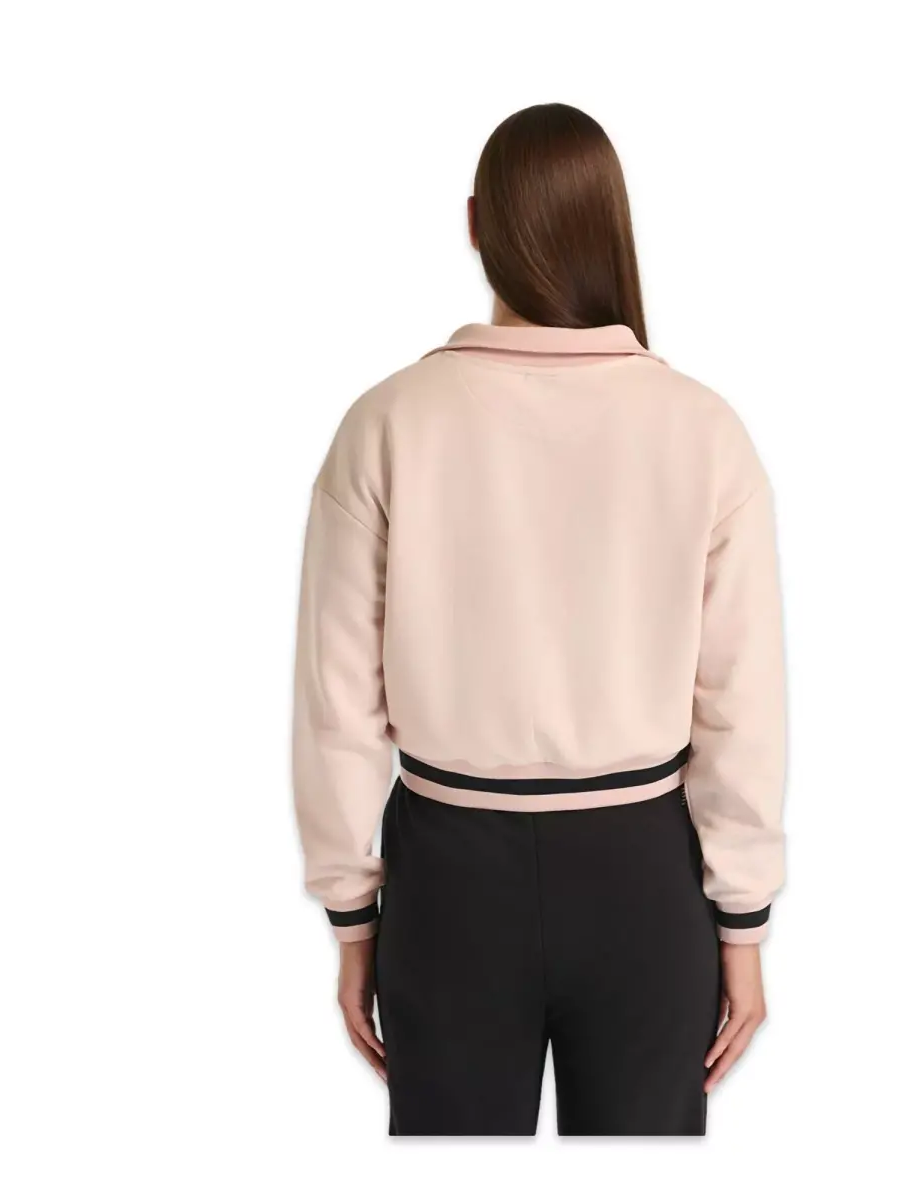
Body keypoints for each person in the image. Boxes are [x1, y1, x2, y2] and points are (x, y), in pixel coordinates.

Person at [292, 102, 786, 1136]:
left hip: (447, 881)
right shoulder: (703, 430)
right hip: (644, 879)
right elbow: (742, 703)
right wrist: (742, 924)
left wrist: (353, 918)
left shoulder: (385, 424)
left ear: (475, 222)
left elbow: (337, 703)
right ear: (613, 224)